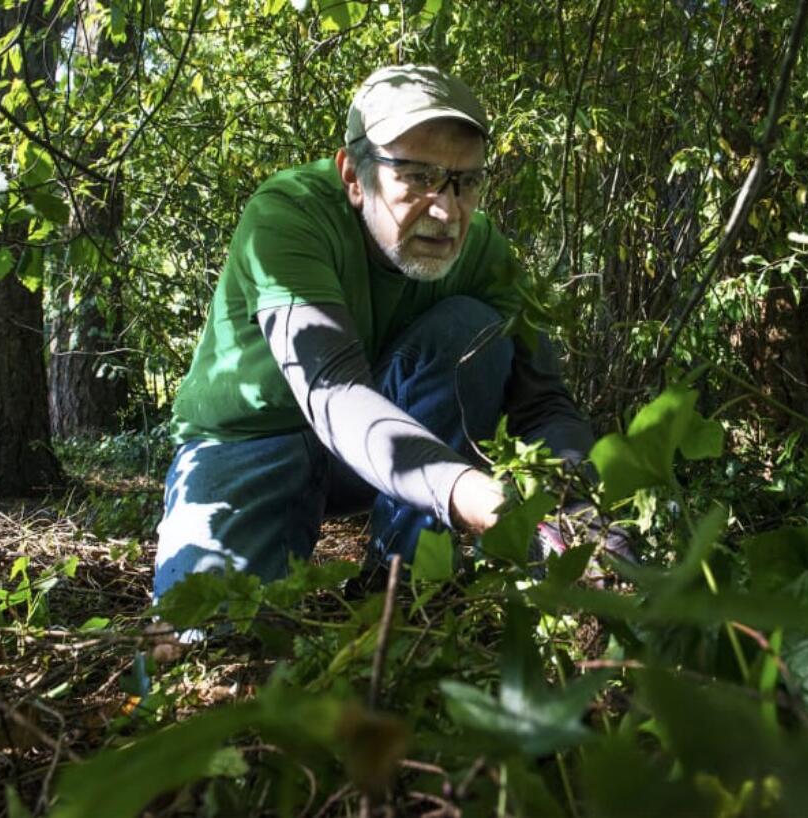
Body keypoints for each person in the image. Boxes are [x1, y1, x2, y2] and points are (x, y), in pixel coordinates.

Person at [153, 65, 599, 602]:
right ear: (352, 177)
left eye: (467, 182)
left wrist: (579, 505)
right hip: (254, 443)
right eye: (418, 176)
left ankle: (404, 594)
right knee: (206, 644)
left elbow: (545, 401)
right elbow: (335, 393)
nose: (447, 209)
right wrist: (466, 492)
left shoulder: (481, 249)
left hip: (376, 456)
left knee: (469, 330)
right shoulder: (290, 216)